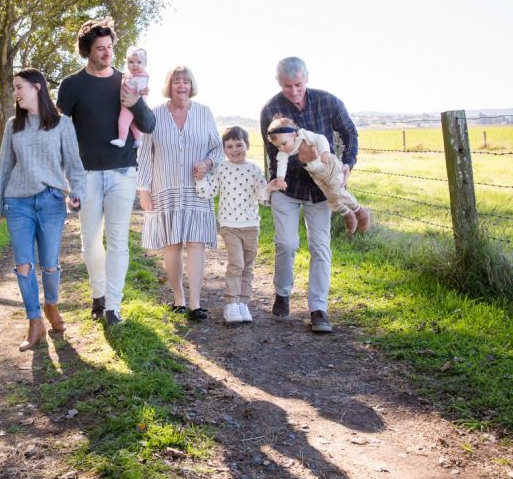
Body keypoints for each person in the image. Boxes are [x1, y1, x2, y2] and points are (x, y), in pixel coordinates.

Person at [57, 17, 156, 326]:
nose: (107, 54)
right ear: (87, 50)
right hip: (85, 176)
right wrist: (66, 181)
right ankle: (98, 294)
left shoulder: (127, 81)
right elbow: (60, 134)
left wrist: (135, 102)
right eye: (100, 49)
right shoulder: (72, 86)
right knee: (89, 242)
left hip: (122, 172)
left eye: (111, 47)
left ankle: (113, 306)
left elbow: (149, 125)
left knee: (118, 241)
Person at [0, 69, 86, 351]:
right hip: (17, 201)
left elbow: (75, 167)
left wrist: (76, 193)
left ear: (37, 88)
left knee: (49, 263)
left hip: (50, 201)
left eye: (19, 87)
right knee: (23, 264)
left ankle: (51, 305)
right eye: (14, 88)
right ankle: (34, 322)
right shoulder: (12, 125)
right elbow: (4, 167)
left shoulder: (62, 124)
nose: (16, 93)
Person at [260, 56, 358, 334]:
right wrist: (294, 166)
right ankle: (282, 292)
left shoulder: (328, 102)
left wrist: (348, 162)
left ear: (306, 77)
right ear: (278, 82)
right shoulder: (270, 109)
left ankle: (318, 308)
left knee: (320, 247)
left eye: (298, 84)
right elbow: (273, 154)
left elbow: (349, 131)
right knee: (287, 244)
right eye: (287, 85)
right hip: (288, 187)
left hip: (321, 190)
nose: (293, 91)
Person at [137, 65, 224, 320]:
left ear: (191, 86)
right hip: (165, 187)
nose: (181, 85)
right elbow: (144, 156)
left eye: (186, 81)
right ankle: (179, 299)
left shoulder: (204, 113)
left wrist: (207, 164)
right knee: (172, 244)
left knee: (196, 243)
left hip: (196, 190)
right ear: (169, 86)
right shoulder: (153, 116)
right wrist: (144, 190)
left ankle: (196, 304)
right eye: (176, 81)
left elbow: (218, 150)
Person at [196, 126, 283, 324]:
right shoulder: (221, 169)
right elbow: (209, 193)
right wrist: (200, 180)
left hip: (251, 226)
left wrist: (269, 188)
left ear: (247, 145)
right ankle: (231, 304)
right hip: (229, 226)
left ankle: (243, 303)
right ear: (224, 149)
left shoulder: (253, 169)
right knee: (237, 264)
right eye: (229, 146)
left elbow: (262, 197)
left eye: (239, 144)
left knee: (248, 266)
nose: (234, 149)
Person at [266, 117, 370, 236]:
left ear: (293, 135)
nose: (282, 148)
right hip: (317, 176)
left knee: (337, 191)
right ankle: (347, 214)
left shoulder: (303, 135)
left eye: (283, 144)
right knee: (330, 197)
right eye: (278, 146)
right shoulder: (284, 152)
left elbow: (319, 138)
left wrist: (325, 151)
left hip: (329, 167)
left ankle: (360, 211)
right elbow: (282, 165)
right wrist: (280, 179)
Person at [111, 46, 149, 148]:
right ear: (127, 64)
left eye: (139, 62)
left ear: (145, 64)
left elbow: (140, 87)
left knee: (123, 119)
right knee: (133, 123)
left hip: (130, 102)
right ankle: (138, 140)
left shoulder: (140, 77)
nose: (135, 65)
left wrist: (141, 91)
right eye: (131, 62)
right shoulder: (129, 75)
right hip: (132, 102)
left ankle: (122, 139)